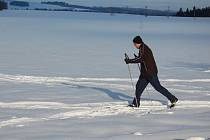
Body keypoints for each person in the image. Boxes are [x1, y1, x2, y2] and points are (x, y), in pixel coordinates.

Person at [124, 36, 178, 108]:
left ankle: (173, 99)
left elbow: (140, 58)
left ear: (138, 43)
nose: (134, 45)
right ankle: (136, 103)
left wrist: (130, 61)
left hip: (150, 73)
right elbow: (142, 58)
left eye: (134, 44)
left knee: (158, 87)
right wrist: (137, 58)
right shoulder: (142, 48)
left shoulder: (144, 48)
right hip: (144, 73)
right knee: (138, 87)